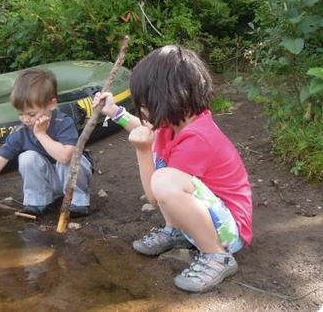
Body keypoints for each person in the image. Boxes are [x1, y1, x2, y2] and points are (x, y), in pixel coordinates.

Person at [93, 45, 252, 293]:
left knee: (165, 180)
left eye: (145, 104)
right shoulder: (176, 123)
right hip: (211, 217)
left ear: (169, 97)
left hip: (229, 232)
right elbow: (146, 129)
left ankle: (215, 256)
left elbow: (156, 198)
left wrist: (143, 151)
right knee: (166, 174)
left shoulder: (198, 138)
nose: (143, 111)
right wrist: (114, 112)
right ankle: (179, 230)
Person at [0, 68, 93, 216]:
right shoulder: (21, 131)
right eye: (20, 114)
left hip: (73, 177)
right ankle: (39, 200)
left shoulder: (63, 122)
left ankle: (77, 201)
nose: (25, 119)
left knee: (70, 159)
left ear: (51, 104)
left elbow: (65, 157)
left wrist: (41, 134)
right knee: (27, 157)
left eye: (31, 114)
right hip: (50, 180)